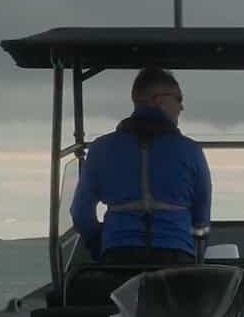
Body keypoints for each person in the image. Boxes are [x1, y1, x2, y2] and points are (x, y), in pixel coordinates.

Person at [70, 67, 211, 265]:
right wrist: (195, 253)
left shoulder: (101, 148)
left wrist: (99, 246)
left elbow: (80, 212)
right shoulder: (191, 151)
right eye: (178, 99)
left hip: (117, 256)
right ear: (158, 101)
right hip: (176, 256)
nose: (181, 107)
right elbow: (202, 218)